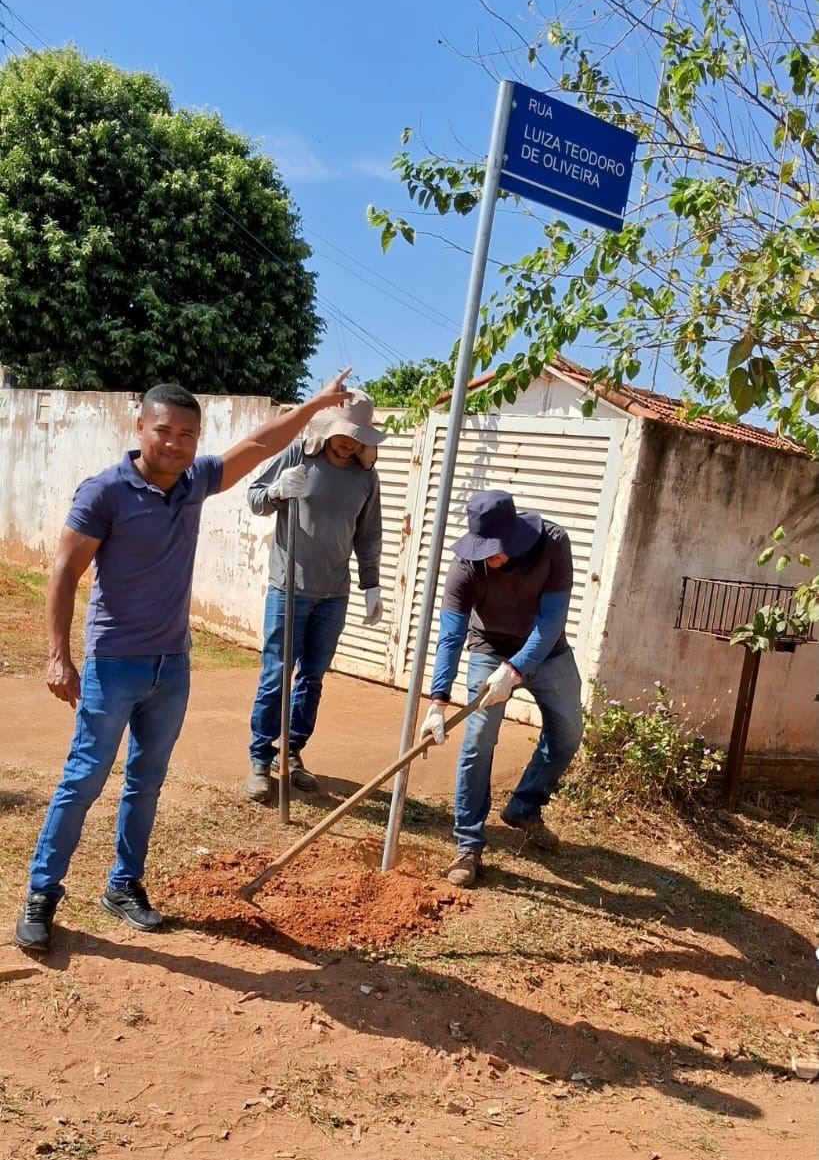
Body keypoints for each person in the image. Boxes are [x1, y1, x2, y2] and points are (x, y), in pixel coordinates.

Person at [13, 369, 352, 953]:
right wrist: (57, 658)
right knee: (84, 779)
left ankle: (124, 886)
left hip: (172, 666)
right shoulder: (105, 492)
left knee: (145, 783)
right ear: (140, 426)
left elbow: (262, 444)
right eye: (164, 431)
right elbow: (65, 571)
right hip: (114, 662)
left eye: (187, 435)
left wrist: (318, 406)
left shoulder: (195, 481)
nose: (175, 443)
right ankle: (42, 894)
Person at [419, 489, 584, 888]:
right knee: (478, 741)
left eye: (495, 550)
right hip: (490, 648)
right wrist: (438, 701)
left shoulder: (553, 543)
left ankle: (524, 808)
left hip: (547, 650)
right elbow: (451, 635)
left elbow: (551, 621)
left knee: (568, 734)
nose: (488, 558)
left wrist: (517, 669)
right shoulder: (466, 567)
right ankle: (468, 845)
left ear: (516, 538)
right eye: (482, 549)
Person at [245, 388, 385, 804]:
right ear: (327, 430)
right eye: (344, 433)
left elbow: (369, 534)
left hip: (333, 594)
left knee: (312, 678)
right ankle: (259, 756)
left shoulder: (366, 476)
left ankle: (292, 752)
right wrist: (276, 492)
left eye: (357, 436)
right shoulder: (298, 457)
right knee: (276, 674)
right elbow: (254, 499)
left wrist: (371, 584)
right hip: (289, 589)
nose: (349, 442)